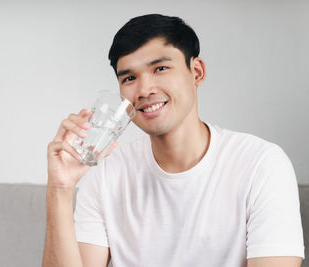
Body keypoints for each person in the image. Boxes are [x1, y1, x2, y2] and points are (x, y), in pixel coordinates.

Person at [43, 14, 305, 267]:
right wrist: (60, 189)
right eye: (130, 78)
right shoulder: (107, 173)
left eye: (160, 68)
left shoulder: (262, 164)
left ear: (197, 72)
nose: (145, 90)